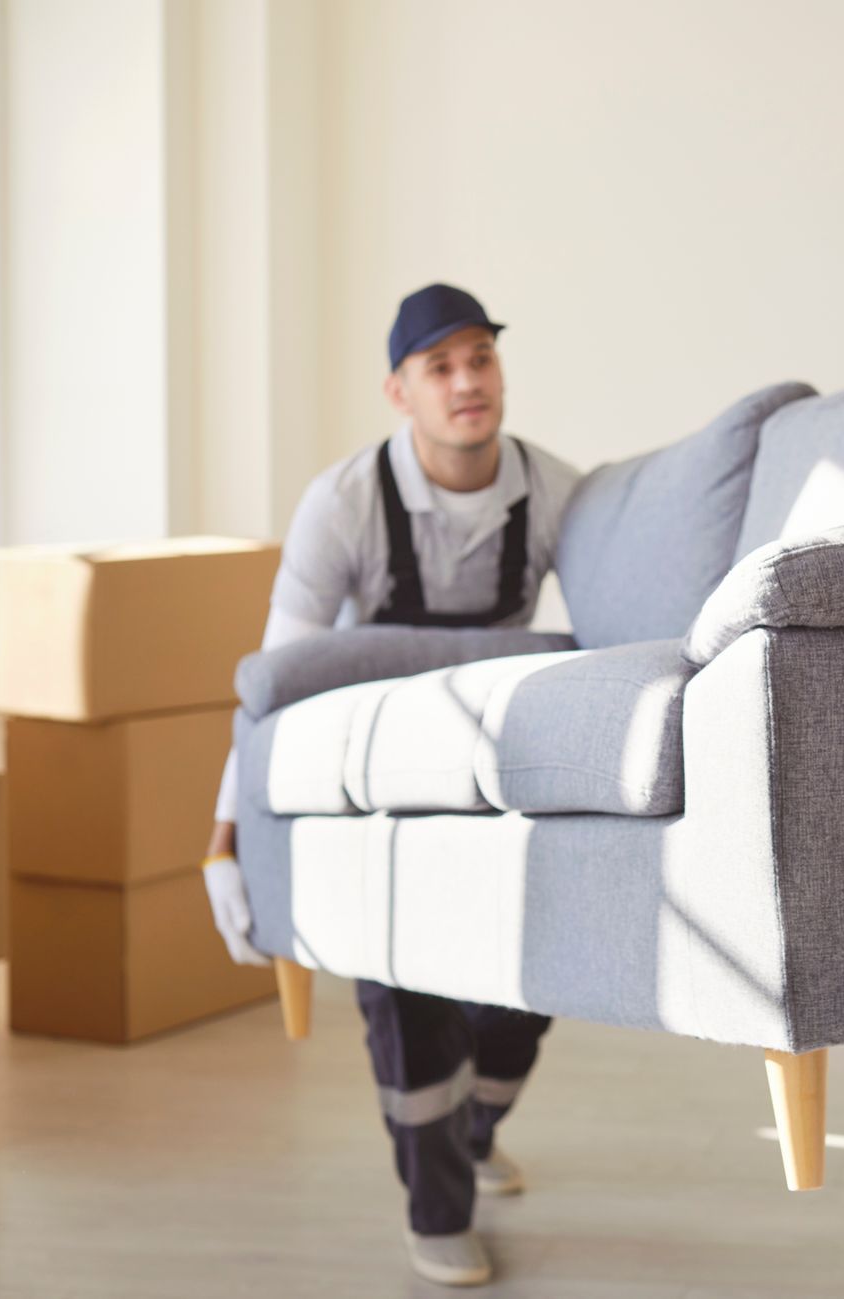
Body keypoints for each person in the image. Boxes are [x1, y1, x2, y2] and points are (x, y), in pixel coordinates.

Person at [199, 283, 581, 1288]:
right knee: (406, 991)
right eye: (440, 367)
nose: (468, 383)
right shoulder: (343, 504)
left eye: (481, 360)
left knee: (527, 991)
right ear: (398, 391)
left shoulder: (555, 495)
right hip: (379, 783)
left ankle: (473, 1128)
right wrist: (223, 837)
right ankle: (437, 1206)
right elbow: (272, 681)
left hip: (506, 776)